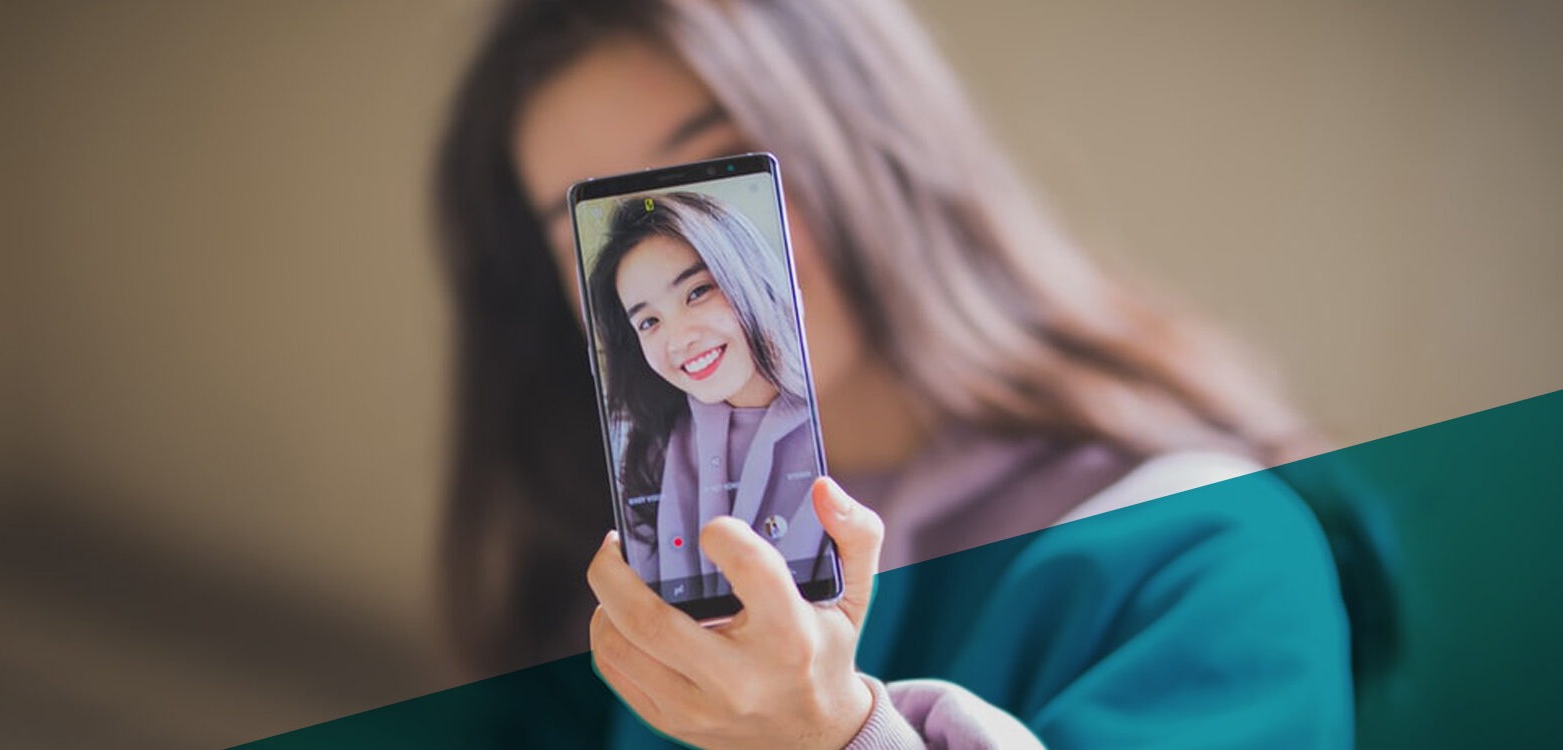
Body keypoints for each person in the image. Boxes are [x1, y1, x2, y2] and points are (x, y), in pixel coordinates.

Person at [434, 0, 1353, 747]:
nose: (676, 260)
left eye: (720, 174)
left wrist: (839, 739)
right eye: (596, 227)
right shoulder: (626, 572)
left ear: (873, 138)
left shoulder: (1201, 549)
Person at [584, 191, 829, 602]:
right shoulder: (647, 453)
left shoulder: (842, 423)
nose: (679, 338)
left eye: (697, 292)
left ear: (746, 276)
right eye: (648, 321)